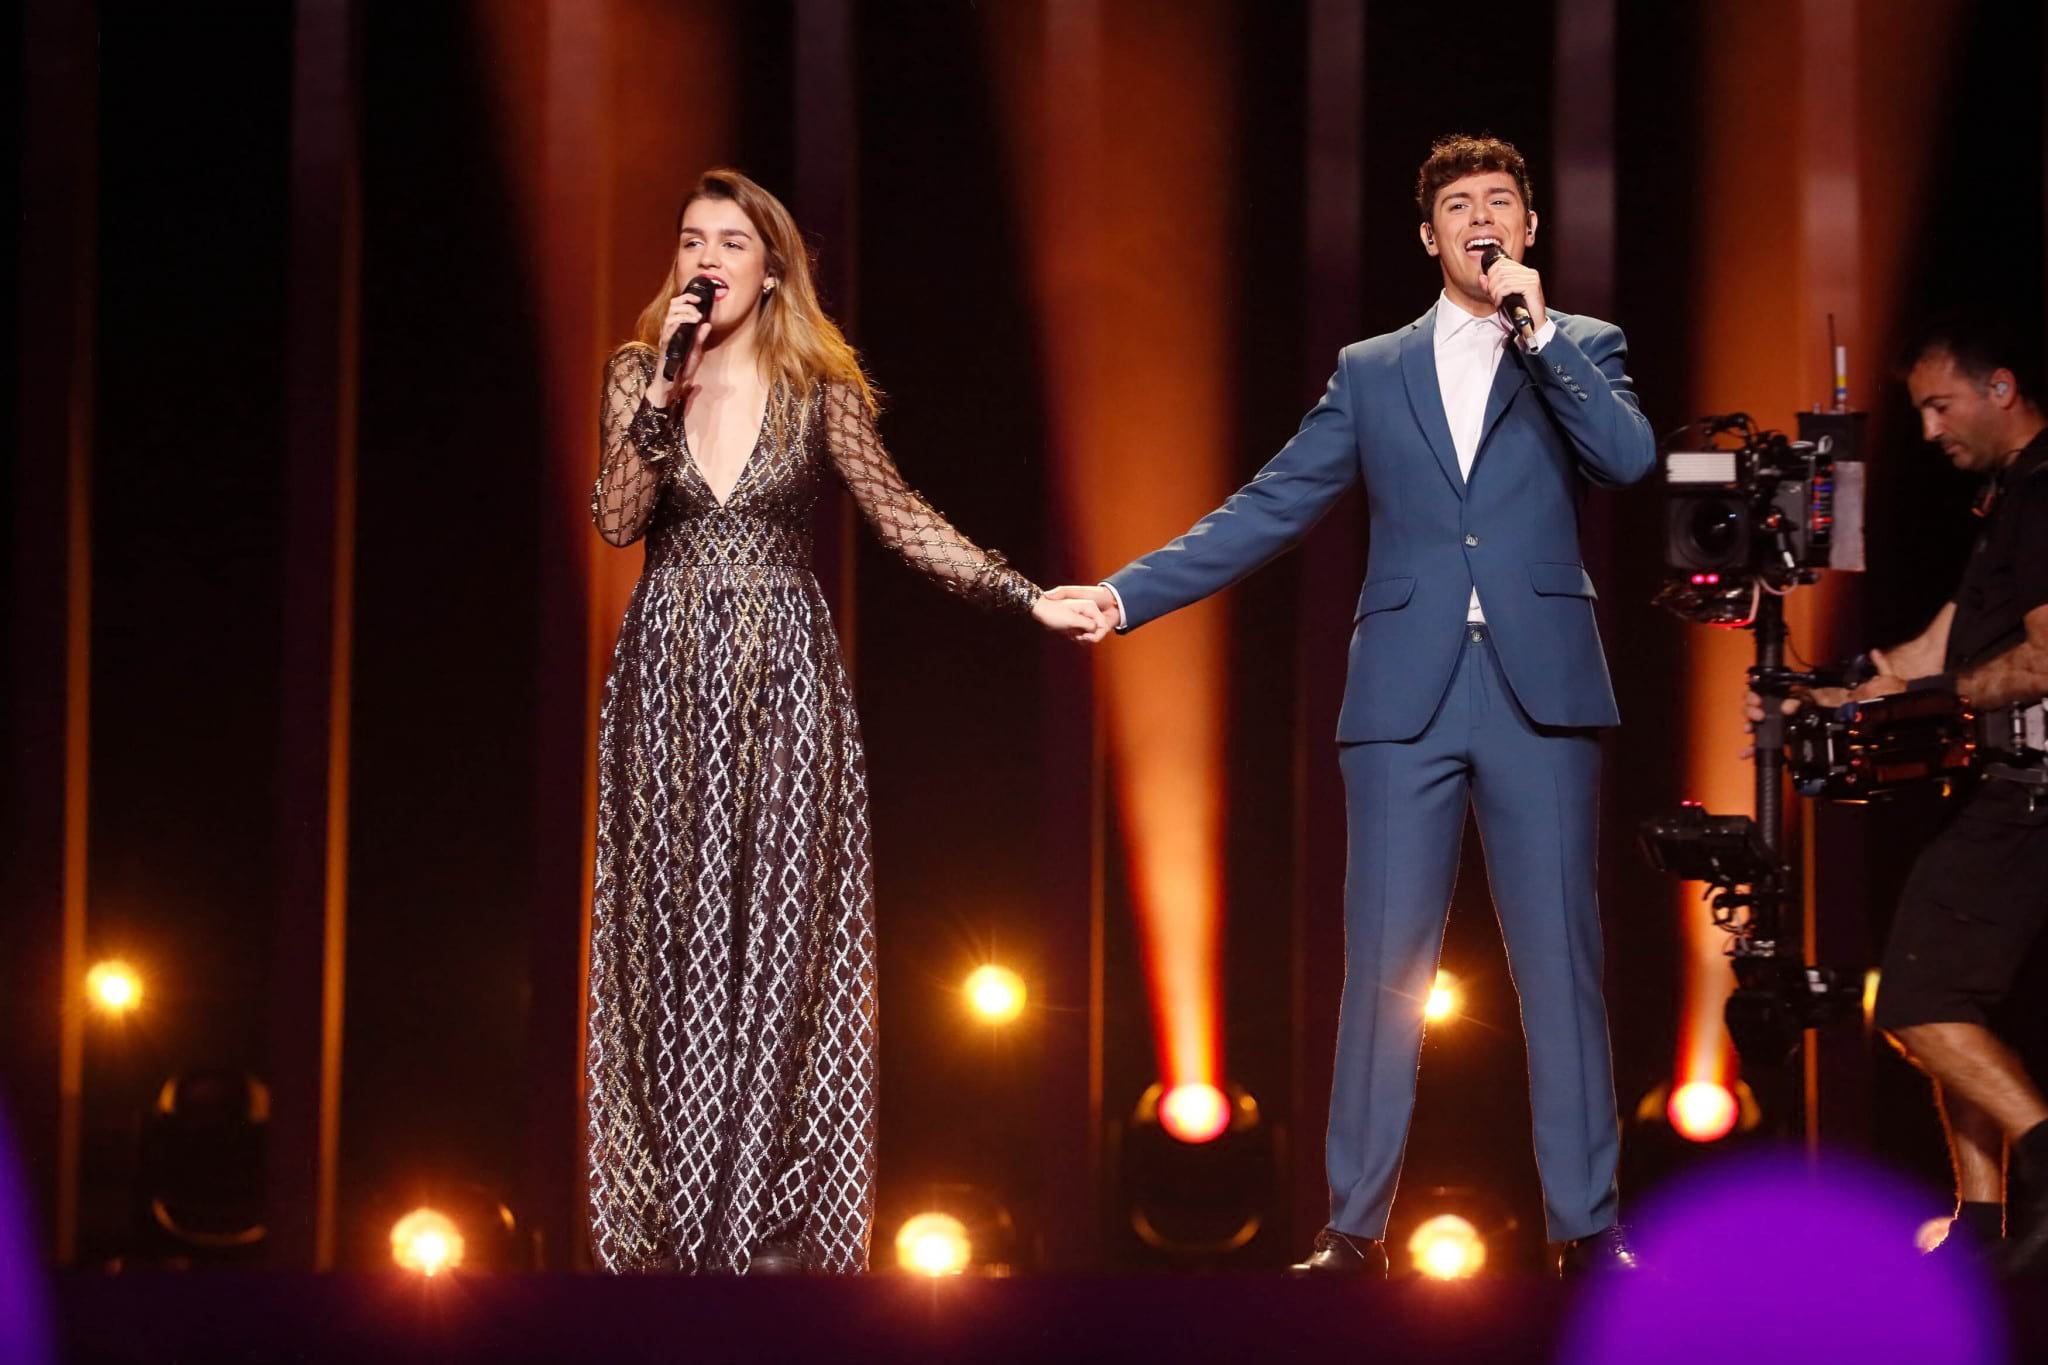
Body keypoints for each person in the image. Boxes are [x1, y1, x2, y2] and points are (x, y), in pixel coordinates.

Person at [1050, 134, 1655, 1276]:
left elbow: (1625, 459)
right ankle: (1353, 1231)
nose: (1482, 218)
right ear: (1429, 237)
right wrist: (1127, 596)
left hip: (1540, 687)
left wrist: (1540, 336)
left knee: (1560, 965)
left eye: (1501, 202)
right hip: (1401, 696)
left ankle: (1586, 1227)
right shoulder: (1373, 369)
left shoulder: (1582, 344)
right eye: (1459, 205)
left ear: (1529, 230)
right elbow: (1271, 503)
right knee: (1383, 965)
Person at [585, 168, 1102, 1274]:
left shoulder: (820, 387)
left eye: (730, 241)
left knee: (783, 936)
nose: (705, 259)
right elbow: (618, 519)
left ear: (772, 270)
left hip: (785, 682)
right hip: (666, 681)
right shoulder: (639, 370)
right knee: (666, 940)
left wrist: (1023, 596)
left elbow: (899, 514)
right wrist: (662, 391)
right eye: (690, 240)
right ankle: (668, 1229)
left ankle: (767, 1221)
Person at [1746, 312, 2048, 1274]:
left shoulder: (2043, 492)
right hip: (2009, 786)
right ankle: (1985, 1221)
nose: (1929, 429)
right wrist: (1826, 692)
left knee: (1914, 999)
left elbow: (2043, 658)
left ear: (2001, 389)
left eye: (1940, 406)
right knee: (1949, 997)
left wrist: (1939, 698)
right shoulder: (2010, 499)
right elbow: (1938, 648)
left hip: (2031, 792)